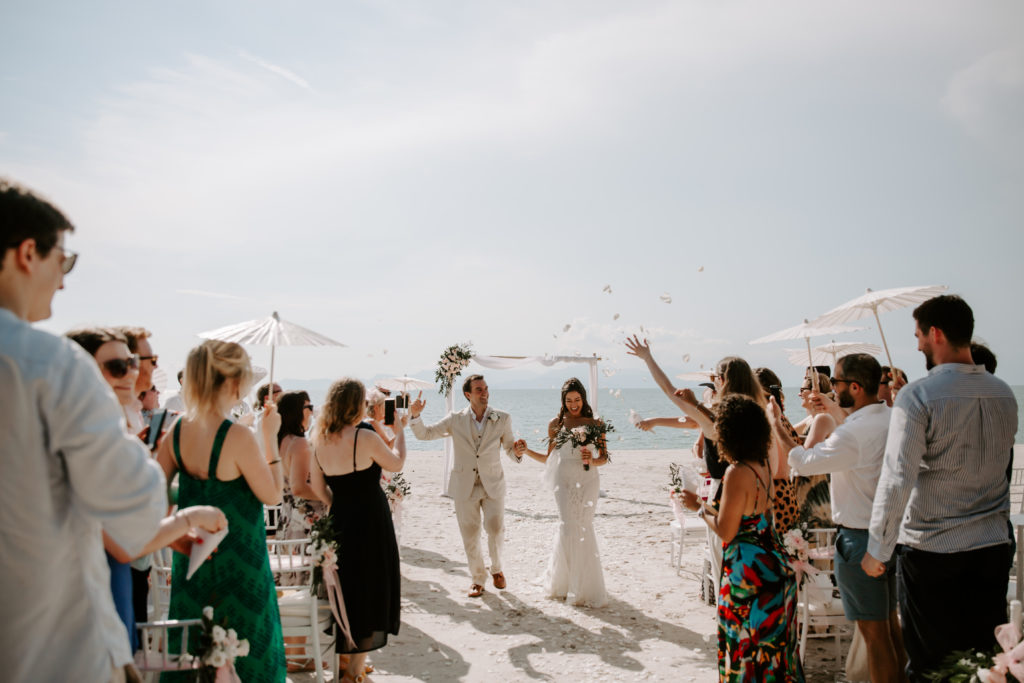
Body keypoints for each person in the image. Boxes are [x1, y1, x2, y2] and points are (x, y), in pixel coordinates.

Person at [0, 179, 167, 683]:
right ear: (29, 253)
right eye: (64, 262)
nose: (65, 282)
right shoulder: (49, 364)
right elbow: (136, 511)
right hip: (55, 648)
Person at [862, 295, 1018, 680]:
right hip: (992, 546)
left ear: (936, 334)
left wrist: (877, 548)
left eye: (917, 335)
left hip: (934, 550)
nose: (916, 345)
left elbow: (898, 476)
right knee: (983, 663)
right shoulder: (1005, 393)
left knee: (932, 665)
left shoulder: (919, 396)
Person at [156, 339, 286, 682]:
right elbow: (272, 495)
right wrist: (270, 437)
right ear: (231, 382)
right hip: (241, 567)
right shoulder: (238, 437)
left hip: (193, 559)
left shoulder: (177, 430)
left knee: (191, 652)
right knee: (248, 658)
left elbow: (154, 500)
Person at [771, 353, 907, 682]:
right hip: (893, 535)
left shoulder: (853, 433)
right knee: (891, 629)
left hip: (860, 539)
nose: (832, 387)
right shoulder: (895, 418)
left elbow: (803, 462)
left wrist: (776, 423)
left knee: (874, 639)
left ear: (856, 387)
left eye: (836, 382)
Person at [625, 336, 775, 597]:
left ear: (723, 380)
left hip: (724, 495)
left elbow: (669, 391)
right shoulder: (758, 414)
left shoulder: (717, 420)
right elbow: (691, 419)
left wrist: (648, 359)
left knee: (724, 574)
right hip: (760, 494)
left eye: (716, 377)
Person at [682, 395, 804, 681]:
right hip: (773, 566)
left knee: (744, 650)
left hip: (747, 576)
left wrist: (698, 508)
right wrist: (709, 507)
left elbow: (727, 530)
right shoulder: (762, 465)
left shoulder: (736, 473)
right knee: (774, 654)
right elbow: (751, 518)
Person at [307, 378, 404, 683]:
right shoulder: (365, 435)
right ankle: (353, 672)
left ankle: (347, 660)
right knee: (371, 586)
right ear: (356, 404)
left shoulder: (318, 438)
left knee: (346, 586)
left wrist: (339, 505)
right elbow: (397, 463)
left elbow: (318, 486)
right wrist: (400, 433)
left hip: (341, 519)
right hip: (372, 520)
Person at [409, 375, 527, 597]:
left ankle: (497, 569)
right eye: (479, 389)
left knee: (496, 530)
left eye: (486, 388)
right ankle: (477, 579)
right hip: (465, 485)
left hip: (493, 484)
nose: (484, 393)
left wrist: (518, 452)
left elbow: (511, 449)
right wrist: (415, 415)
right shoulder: (455, 419)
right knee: (470, 534)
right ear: (468, 394)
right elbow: (426, 434)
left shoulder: (502, 418)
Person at [521, 378, 610, 607]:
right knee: (568, 524)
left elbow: (604, 457)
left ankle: (585, 586)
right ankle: (563, 583)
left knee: (584, 525)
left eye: (577, 400)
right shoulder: (556, 424)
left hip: (588, 478)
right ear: (563, 401)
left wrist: (592, 459)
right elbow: (547, 458)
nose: (573, 404)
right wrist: (527, 450)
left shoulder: (595, 422)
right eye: (569, 400)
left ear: (583, 399)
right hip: (563, 478)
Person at [277, 390, 327, 540]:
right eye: (309, 407)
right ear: (296, 411)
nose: (312, 413)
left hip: (287, 517)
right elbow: (299, 488)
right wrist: (330, 496)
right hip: (305, 521)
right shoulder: (299, 444)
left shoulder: (280, 441)